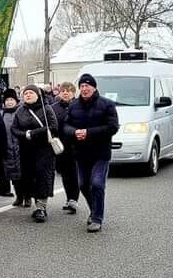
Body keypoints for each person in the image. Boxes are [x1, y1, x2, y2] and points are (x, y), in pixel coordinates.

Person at [63, 74, 119, 233]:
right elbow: (65, 126)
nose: (84, 89)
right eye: (81, 86)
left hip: (100, 152)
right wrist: (75, 133)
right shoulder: (73, 106)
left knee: (97, 184)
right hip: (81, 153)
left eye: (87, 86)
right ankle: (94, 209)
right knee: (83, 185)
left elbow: (113, 127)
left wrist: (89, 133)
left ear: (94, 88)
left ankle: (97, 218)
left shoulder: (107, 105)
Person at [10, 85, 59, 223]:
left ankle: (41, 208)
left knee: (43, 177)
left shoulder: (46, 108)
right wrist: (25, 134)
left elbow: (54, 127)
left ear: (38, 95)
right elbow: (14, 128)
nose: (28, 95)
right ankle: (35, 203)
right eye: (26, 93)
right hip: (26, 151)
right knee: (29, 177)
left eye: (31, 93)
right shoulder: (20, 111)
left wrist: (34, 133)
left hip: (44, 150)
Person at [50, 82, 81, 214]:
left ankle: (74, 199)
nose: (66, 93)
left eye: (69, 91)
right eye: (63, 90)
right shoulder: (53, 108)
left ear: (74, 93)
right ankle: (69, 198)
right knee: (65, 174)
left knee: (74, 173)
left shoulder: (79, 106)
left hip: (76, 145)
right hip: (60, 146)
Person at [0, 89, 24, 207]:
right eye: (7, 100)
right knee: (13, 174)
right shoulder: (1, 114)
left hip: (20, 147)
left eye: (11, 100)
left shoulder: (21, 112)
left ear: (16, 100)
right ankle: (19, 196)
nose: (9, 102)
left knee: (23, 174)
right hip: (7, 148)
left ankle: (27, 196)